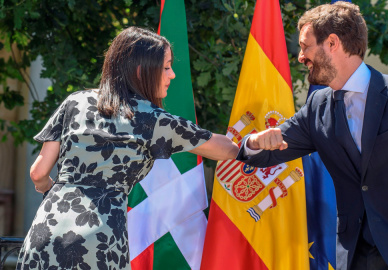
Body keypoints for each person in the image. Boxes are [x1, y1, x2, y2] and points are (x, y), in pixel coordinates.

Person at [237, 2, 388, 270]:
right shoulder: (318, 107)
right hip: (355, 257)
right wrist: (252, 142)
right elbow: (266, 151)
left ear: (332, 43)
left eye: (305, 46)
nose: (300, 56)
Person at [16, 26, 239, 270]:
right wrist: (256, 142)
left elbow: (38, 173)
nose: (172, 74)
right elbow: (226, 149)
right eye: (166, 67)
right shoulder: (154, 120)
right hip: (100, 237)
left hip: (46, 229)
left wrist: (51, 189)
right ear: (141, 70)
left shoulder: (75, 102)